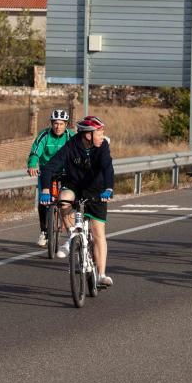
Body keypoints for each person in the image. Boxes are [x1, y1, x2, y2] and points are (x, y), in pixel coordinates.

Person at [39, 116, 116, 287]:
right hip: (73, 184)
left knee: (98, 233)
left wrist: (108, 189)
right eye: (99, 132)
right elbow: (49, 167)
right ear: (88, 135)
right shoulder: (71, 145)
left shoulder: (102, 146)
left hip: (97, 189)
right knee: (63, 200)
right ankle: (73, 234)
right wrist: (45, 189)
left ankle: (102, 274)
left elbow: (108, 168)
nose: (102, 135)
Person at [26, 109, 76, 247]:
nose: (58, 127)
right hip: (47, 172)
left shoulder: (71, 137)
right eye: (55, 123)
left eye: (61, 124)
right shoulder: (44, 136)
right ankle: (44, 231)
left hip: (65, 172)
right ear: (51, 123)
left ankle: (70, 226)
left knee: (66, 199)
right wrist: (32, 165)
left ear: (66, 124)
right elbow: (35, 153)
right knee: (44, 200)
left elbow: (77, 154)